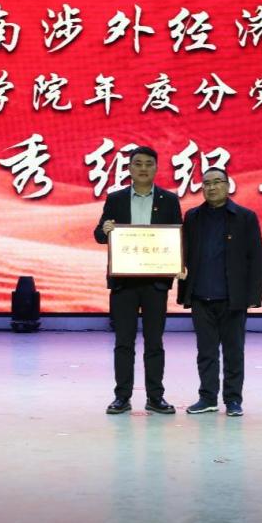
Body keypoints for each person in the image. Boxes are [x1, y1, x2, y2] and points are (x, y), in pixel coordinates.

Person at [94, 146, 183, 415]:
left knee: (154, 343)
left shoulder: (169, 200)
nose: (143, 168)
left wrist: (178, 263)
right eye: (138, 163)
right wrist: (105, 229)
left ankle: (155, 397)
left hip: (155, 283)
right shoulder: (116, 199)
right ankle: (122, 397)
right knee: (124, 342)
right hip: (124, 283)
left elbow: (178, 236)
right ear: (130, 168)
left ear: (156, 168)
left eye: (148, 164)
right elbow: (99, 234)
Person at [177, 167, 262, 417]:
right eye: (206, 183)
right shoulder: (192, 217)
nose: (212, 187)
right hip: (200, 295)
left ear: (228, 185)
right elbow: (183, 251)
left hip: (232, 297)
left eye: (217, 182)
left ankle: (233, 400)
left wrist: (253, 297)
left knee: (234, 352)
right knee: (206, 352)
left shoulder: (245, 217)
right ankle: (207, 398)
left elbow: (255, 258)